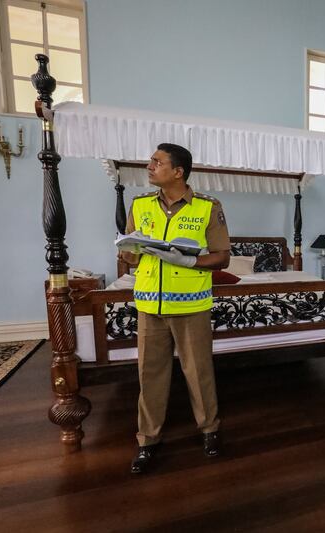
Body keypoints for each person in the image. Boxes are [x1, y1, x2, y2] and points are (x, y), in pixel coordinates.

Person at [121, 143, 230, 474]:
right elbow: (129, 254)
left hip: (191, 304)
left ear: (178, 172)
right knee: (149, 375)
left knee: (199, 372)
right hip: (149, 304)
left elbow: (222, 256)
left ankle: (210, 430)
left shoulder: (207, 207)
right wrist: (130, 249)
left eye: (157, 162)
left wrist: (188, 259)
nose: (149, 166)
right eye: (151, 161)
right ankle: (147, 440)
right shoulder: (140, 205)